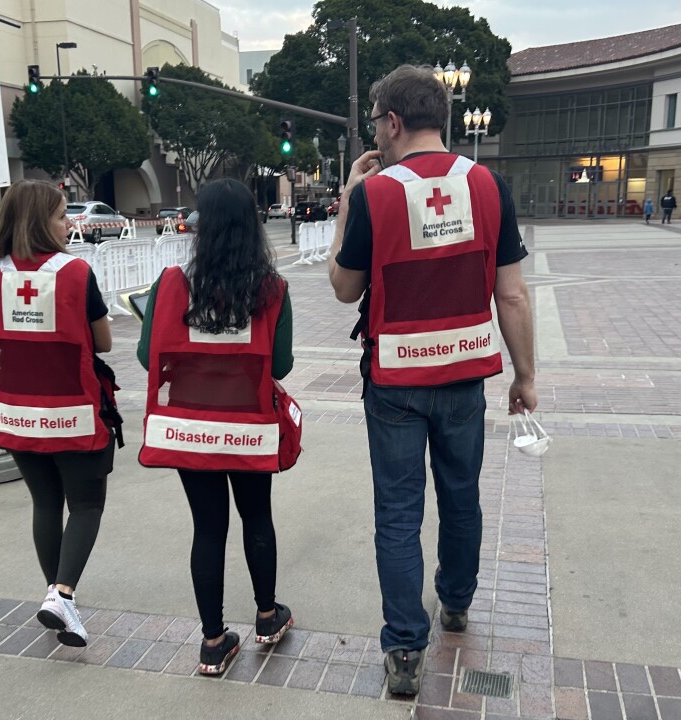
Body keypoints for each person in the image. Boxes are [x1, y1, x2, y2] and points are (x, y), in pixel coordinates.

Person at [327, 65, 537, 696]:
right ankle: (456, 602)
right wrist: (525, 375)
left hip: (394, 379)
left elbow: (344, 290)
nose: (377, 138)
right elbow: (514, 296)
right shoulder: (489, 186)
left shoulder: (375, 194)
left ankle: (404, 650)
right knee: (461, 495)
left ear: (393, 121)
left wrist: (346, 203)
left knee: (397, 512)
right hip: (464, 374)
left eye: (377, 126)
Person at [137, 178, 295, 676]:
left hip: (190, 429)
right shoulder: (271, 288)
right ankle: (268, 617)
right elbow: (282, 364)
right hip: (247, 427)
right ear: (253, 224)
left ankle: (213, 643)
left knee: (208, 528)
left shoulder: (171, 285)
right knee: (257, 518)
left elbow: (148, 356)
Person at [0, 179, 114, 648]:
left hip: (13, 410)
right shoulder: (75, 272)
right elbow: (103, 342)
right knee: (87, 504)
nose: (68, 223)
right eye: (61, 216)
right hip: (71, 411)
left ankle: (58, 601)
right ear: (40, 221)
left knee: (45, 502)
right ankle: (61, 593)